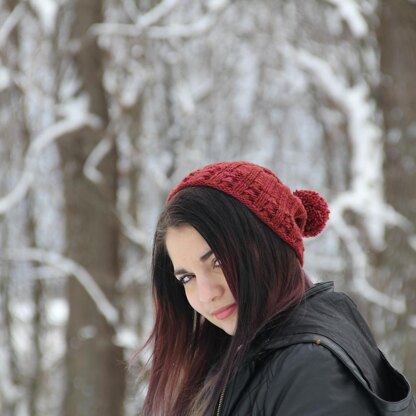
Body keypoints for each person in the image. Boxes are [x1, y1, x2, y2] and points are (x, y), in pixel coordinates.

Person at [139, 161, 415, 416]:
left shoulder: (311, 367)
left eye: (218, 262)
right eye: (187, 278)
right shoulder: (239, 357)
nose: (206, 294)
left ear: (267, 247)